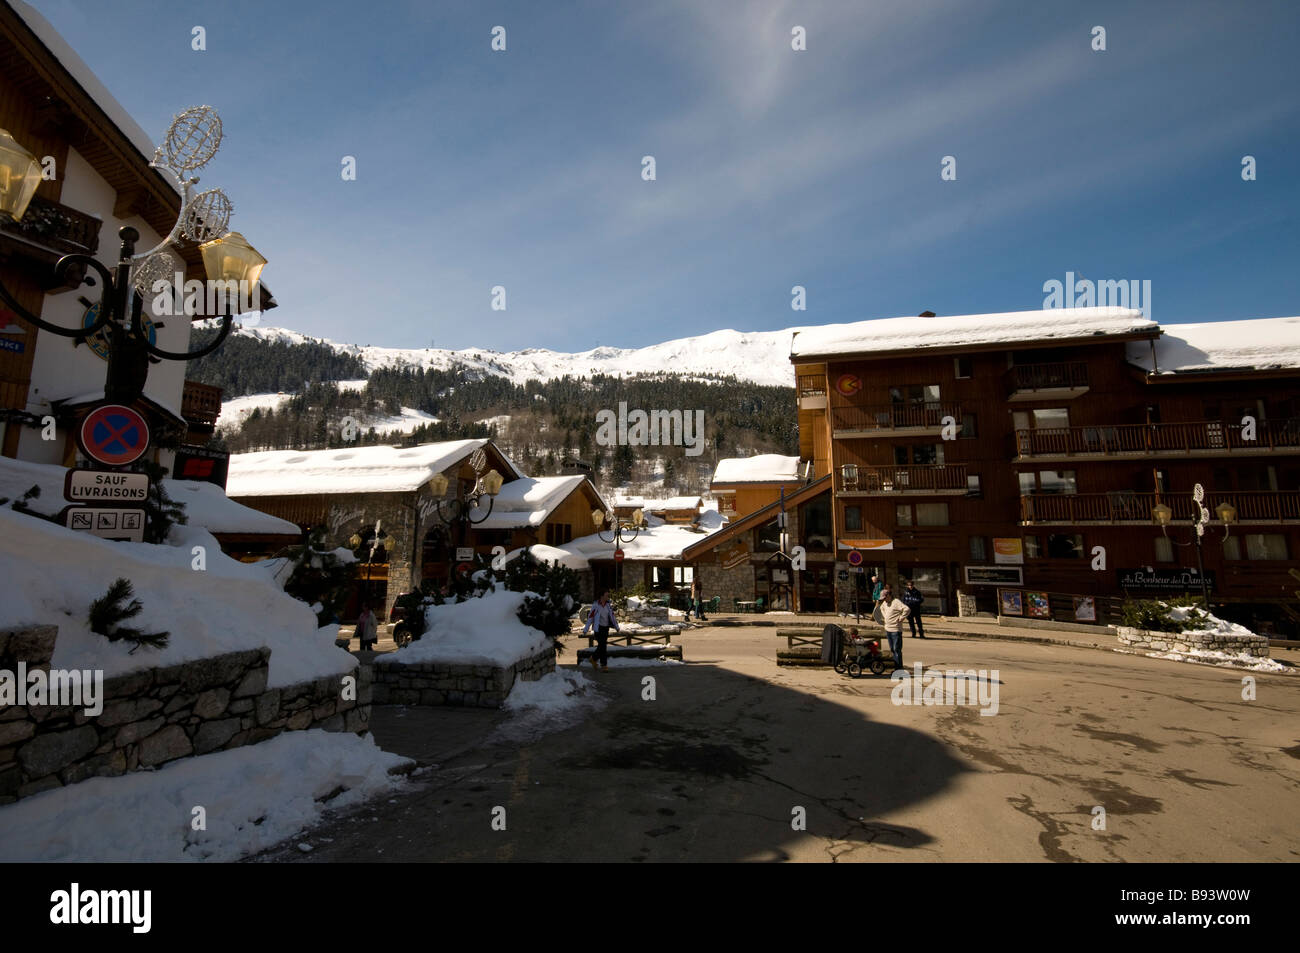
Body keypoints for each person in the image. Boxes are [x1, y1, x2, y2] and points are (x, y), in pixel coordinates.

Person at [878, 585, 910, 671]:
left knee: (897, 650)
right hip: (888, 629)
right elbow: (881, 608)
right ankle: (896, 668)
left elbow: (907, 609)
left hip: (896, 629)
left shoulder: (896, 602)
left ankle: (899, 670)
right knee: (892, 649)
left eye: (885, 598)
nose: (884, 600)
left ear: (889, 595)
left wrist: (901, 618)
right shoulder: (884, 603)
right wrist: (885, 617)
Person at [586, 591, 619, 672]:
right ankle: (604, 665)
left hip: (605, 628)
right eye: (606, 595)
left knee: (602, 646)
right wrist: (586, 628)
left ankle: (593, 658)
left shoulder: (608, 605)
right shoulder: (596, 605)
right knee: (603, 646)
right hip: (598, 628)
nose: (608, 596)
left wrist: (616, 627)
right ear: (602, 596)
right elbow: (590, 617)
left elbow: (612, 617)